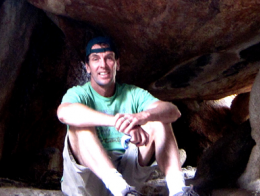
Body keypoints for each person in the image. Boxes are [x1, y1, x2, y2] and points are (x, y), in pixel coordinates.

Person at [57, 36, 198, 196]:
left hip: (127, 177)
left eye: (108, 58)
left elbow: (173, 111)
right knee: (79, 125)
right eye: (95, 59)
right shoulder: (78, 94)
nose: (103, 65)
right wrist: (117, 122)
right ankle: (118, 187)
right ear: (87, 67)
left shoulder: (132, 93)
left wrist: (142, 117)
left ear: (117, 63)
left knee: (159, 119)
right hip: (89, 180)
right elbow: (64, 113)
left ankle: (178, 190)